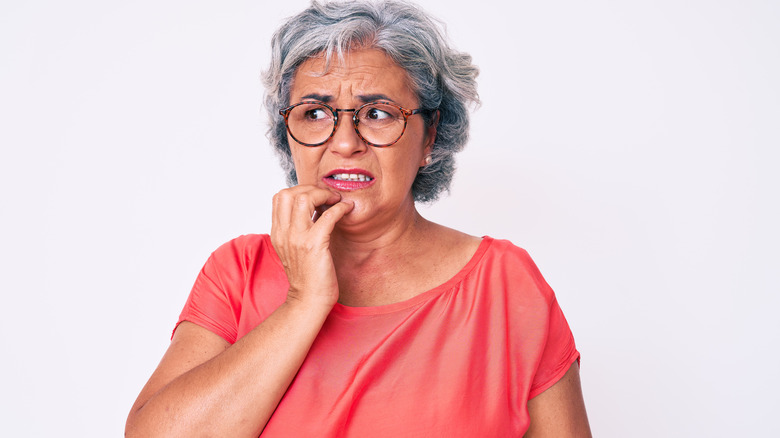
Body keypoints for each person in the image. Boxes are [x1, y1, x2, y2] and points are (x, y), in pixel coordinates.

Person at [125, 1, 591, 436]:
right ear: (287, 135)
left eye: (376, 113)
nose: (345, 142)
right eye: (316, 112)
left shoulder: (506, 285)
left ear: (430, 137)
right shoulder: (237, 271)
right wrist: (304, 302)